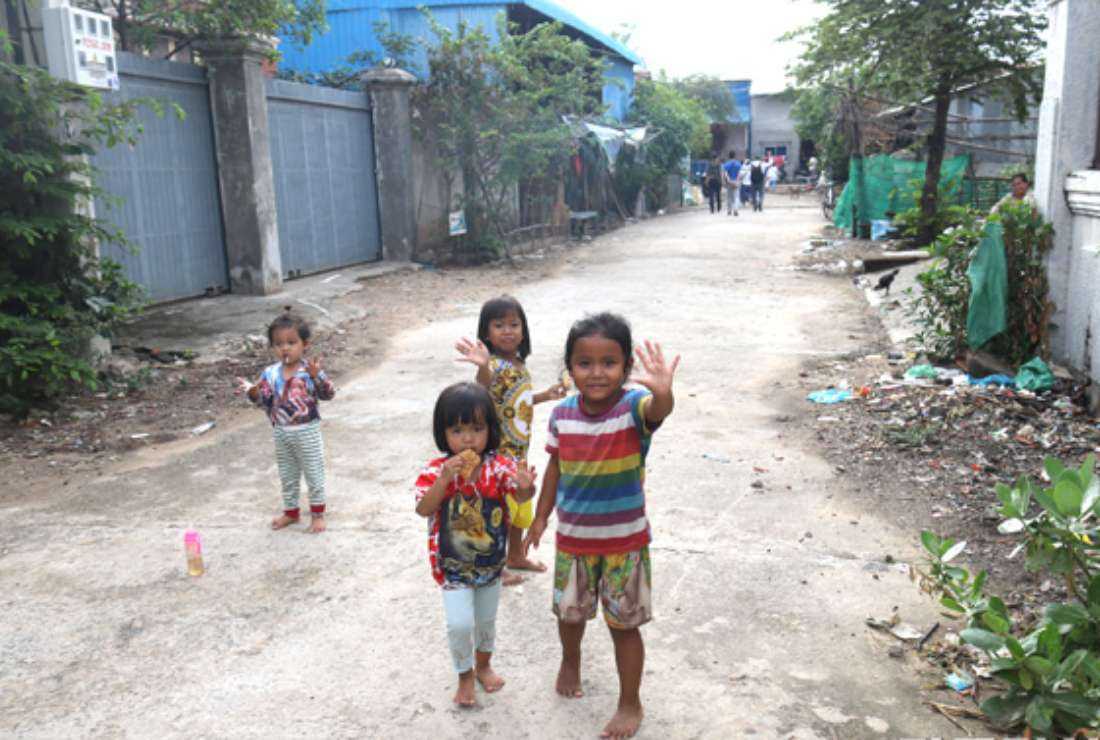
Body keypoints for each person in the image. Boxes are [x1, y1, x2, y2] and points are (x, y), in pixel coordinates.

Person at [524, 312, 679, 740]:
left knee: (624, 627)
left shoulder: (633, 408)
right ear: (569, 367)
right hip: (574, 541)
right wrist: (540, 516)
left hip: (624, 545)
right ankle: (570, 659)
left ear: (626, 367)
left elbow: (658, 410)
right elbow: (555, 467)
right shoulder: (562, 414)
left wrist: (664, 393)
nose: (596, 373)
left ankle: (630, 702)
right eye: (585, 363)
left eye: (609, 363)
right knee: (570, 616)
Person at [415, 382, 538, 707]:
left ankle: (484, 666)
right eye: (457, 431)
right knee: (459, 625)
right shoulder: (435, 470)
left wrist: (526, 487)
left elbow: (520, 495)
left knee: (486, 621)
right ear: (443, 433)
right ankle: (464, 675)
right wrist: (444, 480)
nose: (468, 439)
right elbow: (424, 508)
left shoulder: (499, 467)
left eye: (477, 429)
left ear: (490, 430)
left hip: (490, 566)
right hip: (452, 568)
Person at [455, 296, 565, 586]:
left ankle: (515, 555)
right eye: (499, 325)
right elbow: (483, 386)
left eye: (514, 324)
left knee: (520, 509)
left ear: (523, 330)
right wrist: (482, 366)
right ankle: (494, 565)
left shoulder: (519, 364)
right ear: (486, 333)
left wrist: (546, 395)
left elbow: (518, 400)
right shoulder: (492, 365)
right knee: (498, 511)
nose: (508, 331)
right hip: (498, 454)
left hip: (519, 452)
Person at [236, 308, 335, 533]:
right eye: (279, 344)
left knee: (314, 473)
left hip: (307, 431)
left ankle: (317, 515)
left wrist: (317, 377)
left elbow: (328, 394)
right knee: (287, 474)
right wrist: (253, 393)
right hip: (281, 432)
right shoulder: (270, 374)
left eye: (291, 342)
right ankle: (291, 512)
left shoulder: (309, 371)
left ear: (305, 345)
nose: (285, 348)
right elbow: (264, 401)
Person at [721, 150, 742, 216]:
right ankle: (735, 209)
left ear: (729, 156)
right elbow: (739, 173)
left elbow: (725, 174)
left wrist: (724, 181)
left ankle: (729, 210)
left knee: (729, 197)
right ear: (735, 156)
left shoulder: (726, 164)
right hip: (736, 182)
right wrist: (738, 181)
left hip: (729, 183)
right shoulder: (738, 164)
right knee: (736, 197)